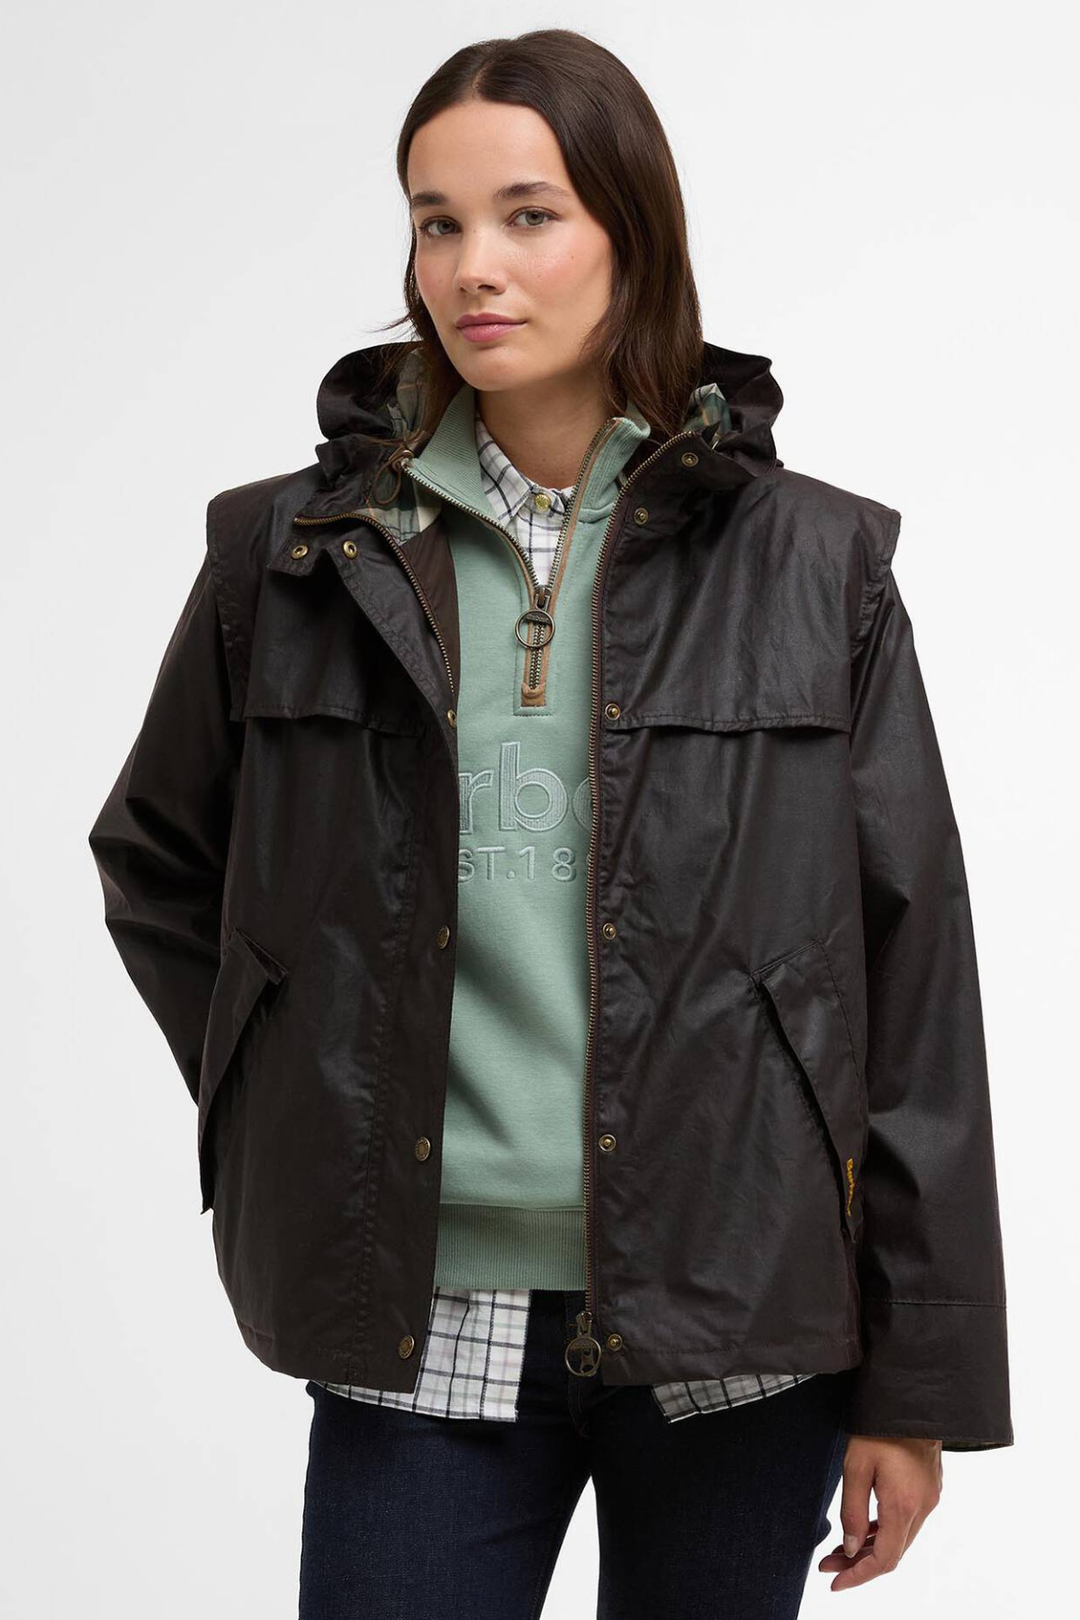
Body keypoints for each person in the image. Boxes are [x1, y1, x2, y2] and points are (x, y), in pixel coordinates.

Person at [87, 27, 1013, 1620]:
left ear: (630, 235)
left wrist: (918, 1382)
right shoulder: (291, 558)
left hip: (739, 1312)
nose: (473, 267)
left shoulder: (815, 567)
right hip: (419, 1306)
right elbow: (160, 863)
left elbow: (908, 972)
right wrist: (295, 1087)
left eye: (529, 215)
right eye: (436, 223)